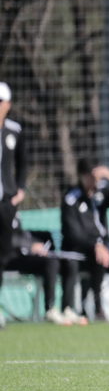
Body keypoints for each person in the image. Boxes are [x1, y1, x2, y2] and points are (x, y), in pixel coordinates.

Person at [60, 158, 109, 323]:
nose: (96, 181)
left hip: (104, 250)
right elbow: (72, 233)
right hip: (81, 252)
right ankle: (96, 306)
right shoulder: (72, 198)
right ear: (82, 176)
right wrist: (95, 245)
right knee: (98, 259)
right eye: (92, 177)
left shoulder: (101, 194)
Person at [6, 216, 64, 324]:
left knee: (56, 262)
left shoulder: (14, 213)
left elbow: (20, 234)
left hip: (20, 256)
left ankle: (59, 309)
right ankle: (50, 309)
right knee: (51, 263)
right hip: (8, 260)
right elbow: (7, 236)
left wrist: (37, 244)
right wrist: (29, 246)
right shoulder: (5, 210)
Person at [0, 82, 27, 299]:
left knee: (3, 253)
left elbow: (23, 162)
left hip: (6, 202)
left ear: (8, 104)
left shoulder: (14, 130)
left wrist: (20, 190)